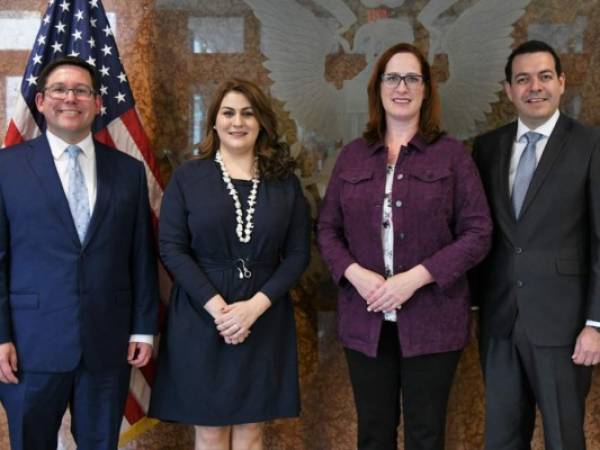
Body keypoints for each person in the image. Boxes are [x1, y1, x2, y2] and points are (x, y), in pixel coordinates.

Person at [317, 42, 492, 450]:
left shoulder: (452, 157)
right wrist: (356, 275)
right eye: (392, 77)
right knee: (373, 433)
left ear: (427, 89)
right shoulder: (353, 157)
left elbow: (478, 232)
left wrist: (414, 279)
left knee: (426, 434)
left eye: (412, 78)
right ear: (378, 88)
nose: (402, 86)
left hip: (433, 320)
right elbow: (326, 229)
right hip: (365, 321)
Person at [0, 57, 158, 450]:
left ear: (98, 102)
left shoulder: (128, 171)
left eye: (81, 90)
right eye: (59, 89)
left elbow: (140, 255)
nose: (70, 98)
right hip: (29, 344)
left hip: (107, 343)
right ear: (40, 100)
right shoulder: (6, 167)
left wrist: (142, 327)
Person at [149, 78, 310, 450]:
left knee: (252, 428)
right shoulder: (188, 177)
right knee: (208, 431)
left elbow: (299, 254)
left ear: (262, 122)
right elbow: (172, 248)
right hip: (202, 315)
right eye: (228, 112)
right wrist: (220, 310)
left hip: (264, 315)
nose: (238, 122)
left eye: (248, 113)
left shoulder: (284, 183)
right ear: (214, 122)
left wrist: (254, 308)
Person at [471, 40, 600, 450]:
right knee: (502, 439)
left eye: (545, 76)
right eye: (522, 79)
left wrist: (596, 324)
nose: (534, 87)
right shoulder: (487, 148)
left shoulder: (590, 144)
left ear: (561, 83)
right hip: (500, 323)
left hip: (563, 326)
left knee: (564, 438)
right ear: (508, 90)